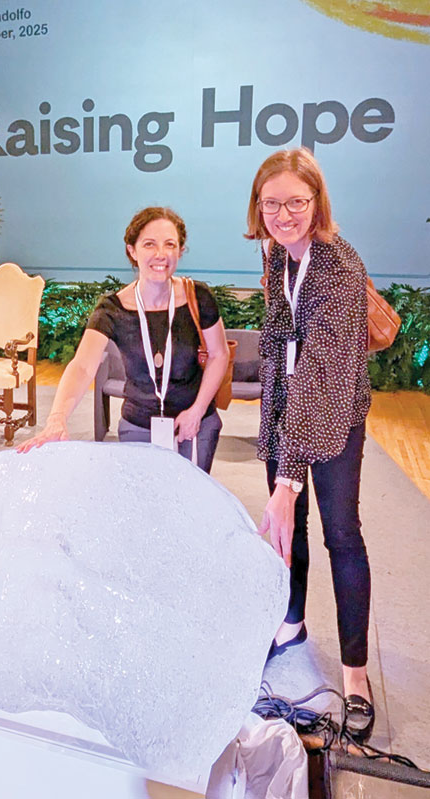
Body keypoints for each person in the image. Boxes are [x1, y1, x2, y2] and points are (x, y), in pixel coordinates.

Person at [246, 148, 374, 743]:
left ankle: (355, 672)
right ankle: (291, 621)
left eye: (296, 202)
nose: (284, 214)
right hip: (288, 412)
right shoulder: (276, 256)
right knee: (285, 529)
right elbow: (279, 343)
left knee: (340, 534)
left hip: (334, 415)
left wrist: (287, 479)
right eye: (272, 203)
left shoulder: (338, 270)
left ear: (317, 202)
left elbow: (321, 375)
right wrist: (271, 428)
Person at [18, 207, 229, 473]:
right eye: (149, 244)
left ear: (181, 250)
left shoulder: (198, 296)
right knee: (141, 505)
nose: (160, 255)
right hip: (138, 426)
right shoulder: (113, 308)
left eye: (170, 245)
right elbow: (83, 366)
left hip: (194, 426)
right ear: (132, 250)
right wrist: (57, 419)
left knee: (190, 504)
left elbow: (219, 354)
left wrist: (197, 411)